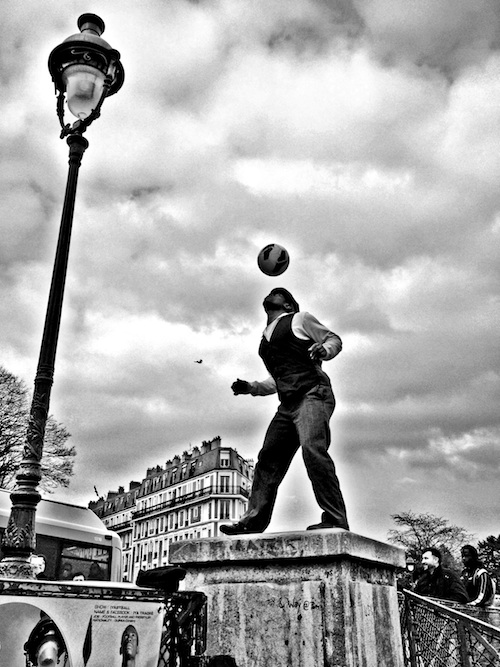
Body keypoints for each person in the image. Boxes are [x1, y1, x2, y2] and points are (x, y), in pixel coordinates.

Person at [220, 287, 349, 535]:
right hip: (288, 404)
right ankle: (252, 522)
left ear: (288, 305)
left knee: (313, 449)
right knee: (268, 458)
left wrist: (324, 350)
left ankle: (335, 519)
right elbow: (276, 380)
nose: (272, 292)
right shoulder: (265, 339)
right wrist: (251, 387)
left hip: (313, 393)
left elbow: (333, 339)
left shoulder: (300, 319)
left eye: (278, 293)